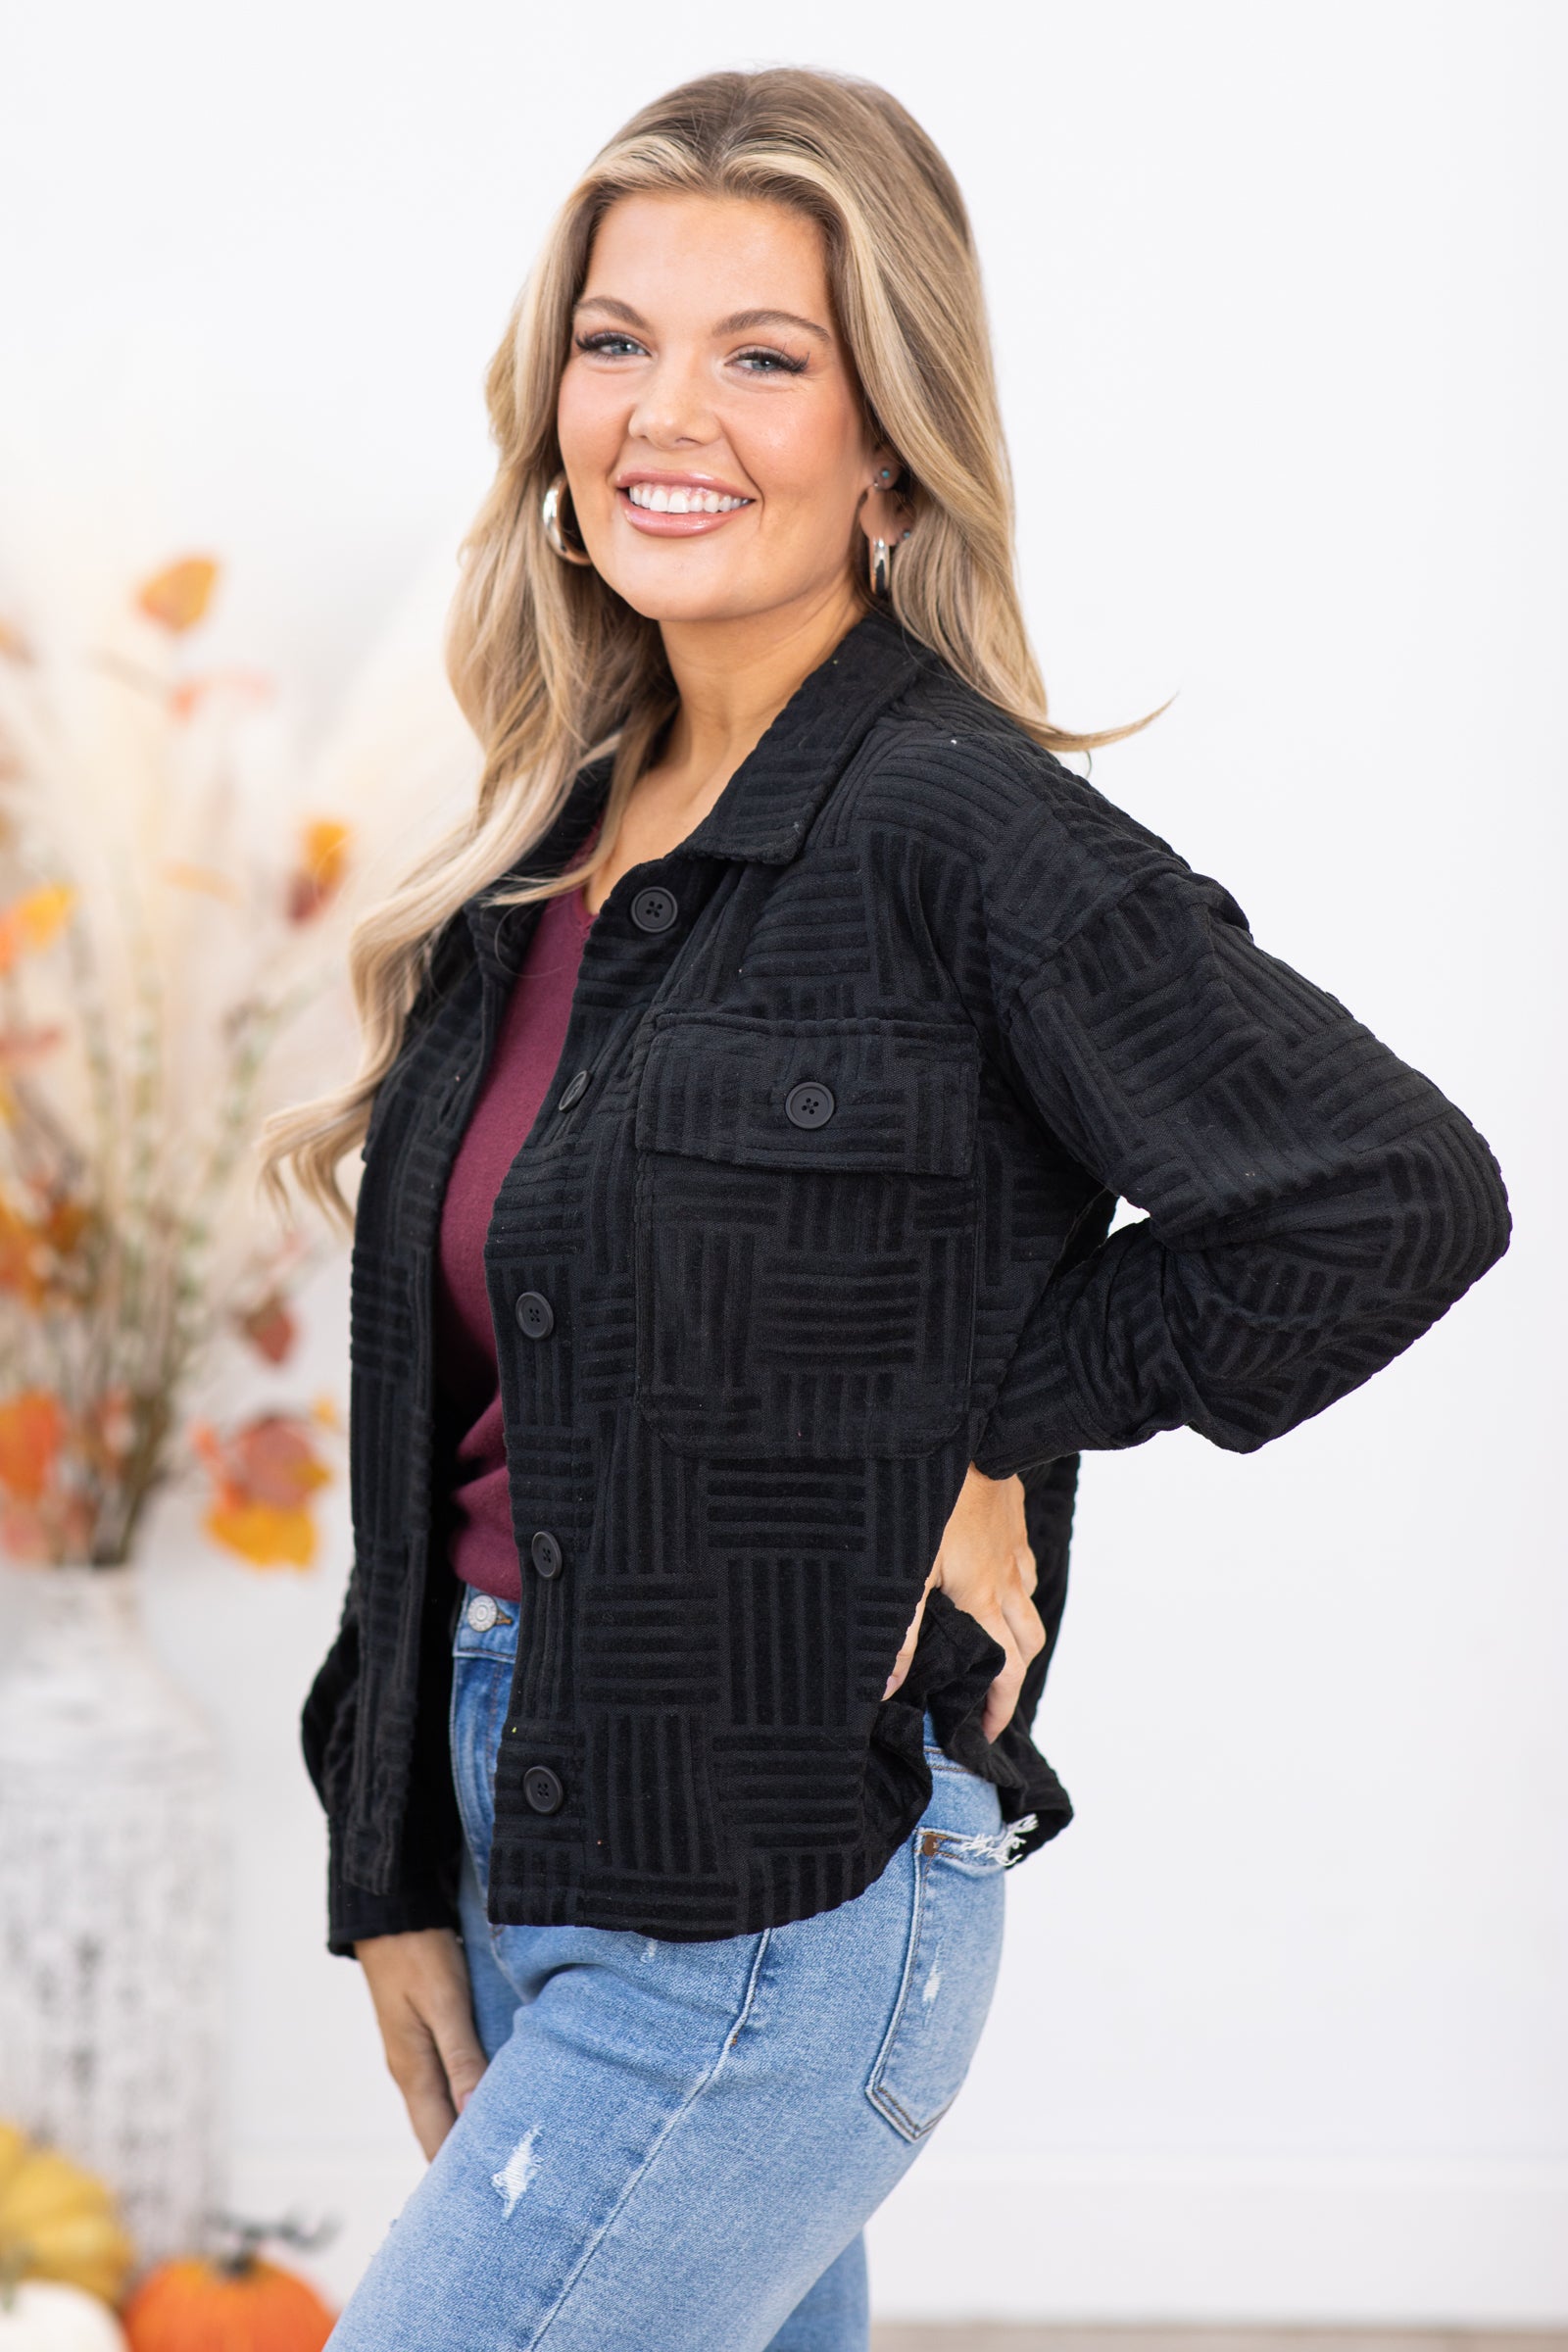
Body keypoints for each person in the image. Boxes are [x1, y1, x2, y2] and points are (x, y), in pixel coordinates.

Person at [265, 66, 1510, 2352]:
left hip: (768, 1889)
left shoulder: (953, 826)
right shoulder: (542, 845)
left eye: (764, 356)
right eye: (615, 340)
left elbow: (1384, 1195)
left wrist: (981, 1424)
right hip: (506, 1817)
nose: (666, 414)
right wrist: (387, 1865)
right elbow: (437, 1425)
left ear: (888, 441)